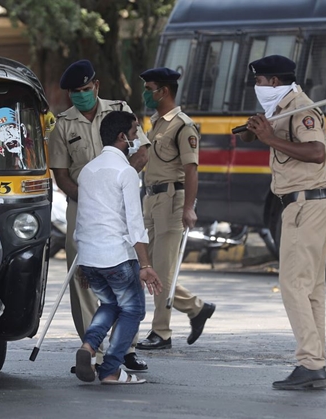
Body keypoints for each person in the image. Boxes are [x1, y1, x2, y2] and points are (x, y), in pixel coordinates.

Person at [239, 55, 326, 390]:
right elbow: (280, 142)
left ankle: (310, 362)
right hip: (302, 203)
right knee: (311, 289)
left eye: (260, 82)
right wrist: (259, 133)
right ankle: (315, 363)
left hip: (307, 202)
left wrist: (269, 139)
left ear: (274, 82)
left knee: (294, 285)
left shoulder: (302, 110)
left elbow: (316, 153)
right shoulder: (280, 109)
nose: (257, 87)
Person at [49, 59, 151, 371]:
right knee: (82, 277)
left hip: (120, 205)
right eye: (74, 92)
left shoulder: (120, 110)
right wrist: (92, 196)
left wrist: (118, 184)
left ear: (96, 86)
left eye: (84, 89)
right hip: (81, 208)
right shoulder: (62, 124)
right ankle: (90, 349)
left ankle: (126, 349)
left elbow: (143, 151)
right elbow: (61, 174)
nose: (80, 95)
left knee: (125, 272)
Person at [73, 110, 161, 384]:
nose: (137, 138)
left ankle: (89, 347)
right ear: (123, 137)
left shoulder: (88, 171)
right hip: (117, 256)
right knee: (133, 309)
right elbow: (135, 223)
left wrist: (82, 261)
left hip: (89, 255)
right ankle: (110, 369)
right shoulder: (125, 172)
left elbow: (82, 218)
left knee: (109, 303)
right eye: (135, 132)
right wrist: (146, 265)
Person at [136, 68, 216, 351]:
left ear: (164, 91)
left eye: (150, 88)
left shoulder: (183, 125)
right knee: (145, 265)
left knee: (163, 269)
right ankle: (196, 307)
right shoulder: (156, 123)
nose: (146, 93)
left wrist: (189, 207)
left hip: (172, 199)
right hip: (152, 198)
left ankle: (162, 332)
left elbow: (191, 170)